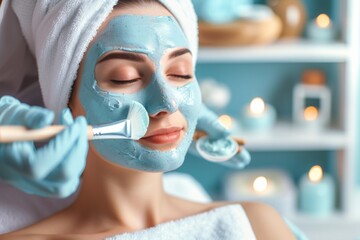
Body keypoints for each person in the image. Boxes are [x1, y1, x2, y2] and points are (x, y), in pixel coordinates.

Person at [0, 0, 297, 239]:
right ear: (65, 101)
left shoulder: (254, 224)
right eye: (124, 78)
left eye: (180, 73)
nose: (167, 103)